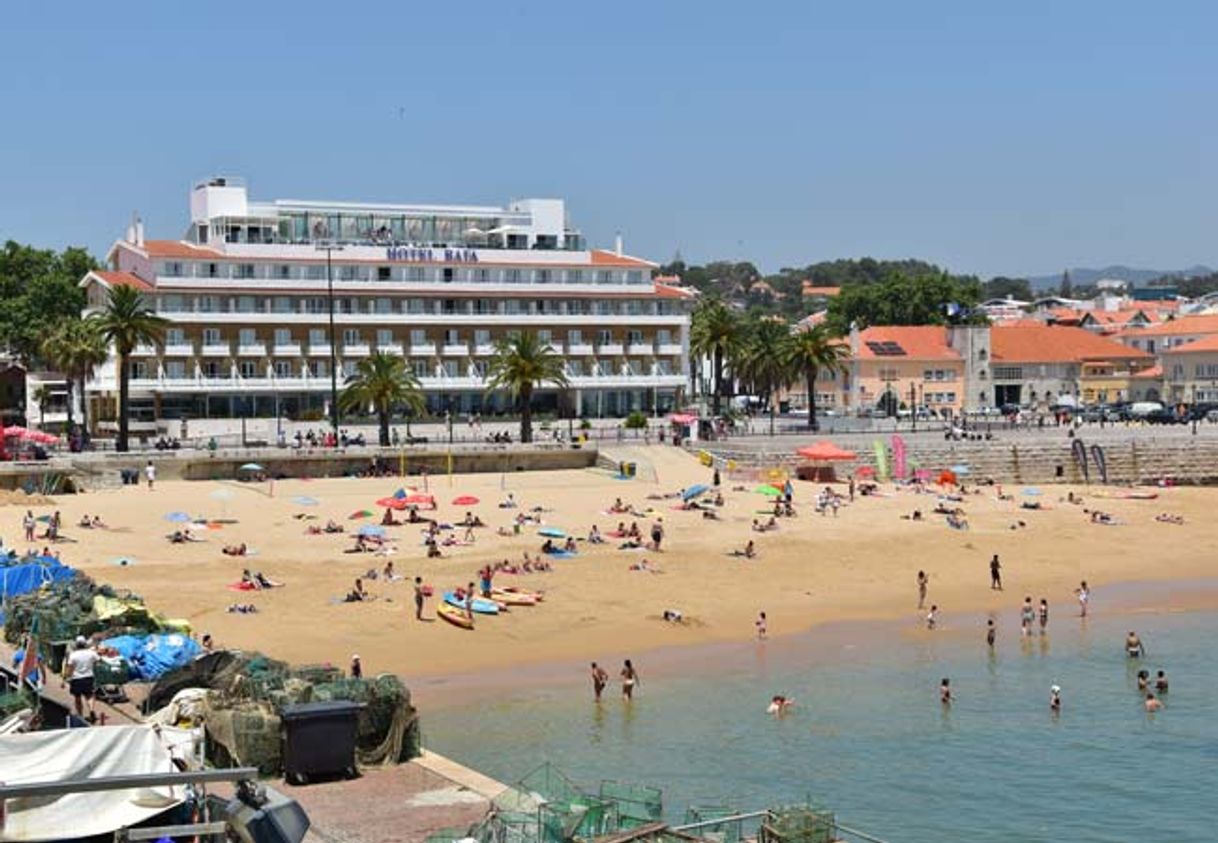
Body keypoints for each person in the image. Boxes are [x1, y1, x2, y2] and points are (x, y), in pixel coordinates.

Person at [62, 636, 99, 721]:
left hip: (76, 678)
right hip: (89, 676)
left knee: (77, 698)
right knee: (90, 695)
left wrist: (65, 678)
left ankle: (80, 716)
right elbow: (98, 660)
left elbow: (70, 667)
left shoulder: (73, 655)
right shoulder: (91, 653)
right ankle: (92, 710)